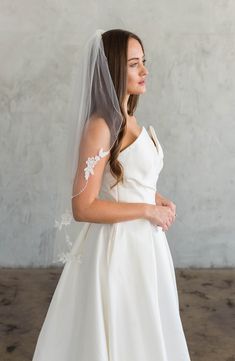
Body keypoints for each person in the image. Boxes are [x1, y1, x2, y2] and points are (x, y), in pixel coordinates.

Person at [32, 28, 191, 361]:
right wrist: (147, 211)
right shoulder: (101, 125)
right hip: (119, 250)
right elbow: (83, 206)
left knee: (148, 328)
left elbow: (126, 179)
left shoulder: (127, 117)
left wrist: (155, 197)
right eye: (134, 64)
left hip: (146, 246)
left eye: (143, 62)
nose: (145, 71)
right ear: (114, 69)